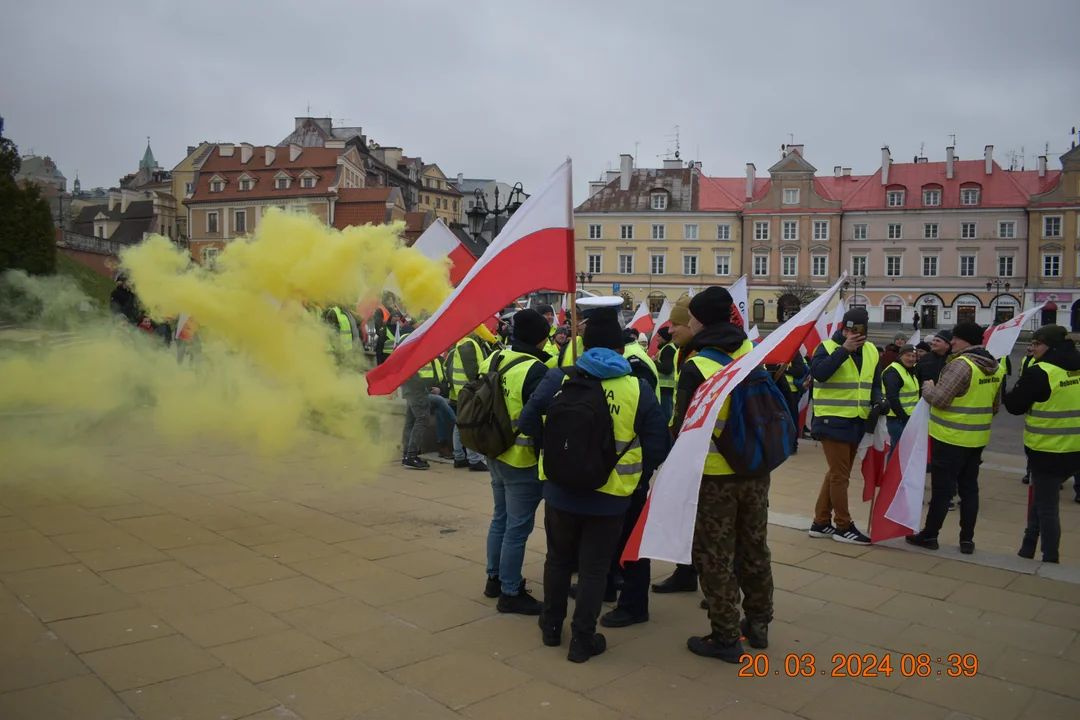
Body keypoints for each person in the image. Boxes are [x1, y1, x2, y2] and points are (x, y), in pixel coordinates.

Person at [519, 302, 669, 662]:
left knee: (557, 560)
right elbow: (659, 447)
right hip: (610, 497)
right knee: (594, 570)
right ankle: (582, 639)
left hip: (558, 490)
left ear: (585, 348)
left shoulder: (559, 377)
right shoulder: (637, 388)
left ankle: (551, 627)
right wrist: (633, 475)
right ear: (620, 349)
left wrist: (556, 453)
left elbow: (526, 423)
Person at [668, 287, 774, 662]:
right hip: (756, 469)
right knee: (754, 546)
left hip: (714, 476)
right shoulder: (750, 353)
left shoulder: (697, 366)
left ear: (699, 321)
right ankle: (758, 623)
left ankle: (725, 636)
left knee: (715, 554)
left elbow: (682, 428)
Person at [906, 322, 1004, 555]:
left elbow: (940, 399)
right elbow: (995, 406)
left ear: (965, 341)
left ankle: (930, 535)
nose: (952, 343)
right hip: (977, 438)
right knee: (970, 489)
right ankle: (967, 540)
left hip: (950, 438)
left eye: (956, 339)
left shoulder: (961, 365)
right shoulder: (996, 367)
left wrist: (928, 387)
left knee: (942, 491)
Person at [480, 309, 552, 615]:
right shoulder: (534, 369)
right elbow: (538, 418)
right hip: (521, 459)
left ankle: (494, 578)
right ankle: (510, 592)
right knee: (517, 528)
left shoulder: (492, 359)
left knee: (500, 518)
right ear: (541, 338)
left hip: (492, 451)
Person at [1004, 325, 1080, 563]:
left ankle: (1050, 559)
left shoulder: (1041, 372)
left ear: (1051, 345)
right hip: (1074, 449)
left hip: (1047, 449)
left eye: (1037, 344)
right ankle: (1028, 546)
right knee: (1041, 497)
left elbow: (1015, 406)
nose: (1032, 348)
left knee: (1047, 507)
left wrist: (1005, 392)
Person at [807, 307, 881, 545]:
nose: (852, 334)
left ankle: (820, 522)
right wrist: (843, 350)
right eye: (848, 330)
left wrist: (880, 400)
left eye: (857, 331)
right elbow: (820, 373)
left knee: (836, 474)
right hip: (831, 418)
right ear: (842, 328)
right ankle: (843, 526)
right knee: (840, 476)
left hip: (857, 419)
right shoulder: (827, 347)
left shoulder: (870, 350)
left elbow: (874, 382)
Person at [651, 296, 702, 595]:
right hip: (686, 449)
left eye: (677, 324)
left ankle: (722, 590)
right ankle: (687, 572)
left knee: (711, 525)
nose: (670, 330)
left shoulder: (704, 356)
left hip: (708, 457)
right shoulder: (688, 353)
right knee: (686, 515)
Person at [445, 333, 488, 471]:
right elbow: (472, 372)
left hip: (460, 392)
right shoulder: (468, 343)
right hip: (468, 391)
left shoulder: (463, 341)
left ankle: (459, 457)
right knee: (472, 424)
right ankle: (475, 460)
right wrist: (479, 388)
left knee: (460, 424)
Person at [882, 344, 919, 455]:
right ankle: (892, 473)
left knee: (902, 453)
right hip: (898, 420)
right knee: (897, 454)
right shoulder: (893, 372)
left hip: (907, 419)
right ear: (900, 356)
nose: (911, 359)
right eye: (908, 355)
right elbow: (892, 397)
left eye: (913, 356)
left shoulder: (909, 370)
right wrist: (903, 417)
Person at [654, 326, 677, 422]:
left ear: (664, 337)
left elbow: (667, 369)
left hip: (666, 390)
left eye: (659, 336)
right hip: (665, 390)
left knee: (665, 418)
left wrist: (654, 362)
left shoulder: (668, 349)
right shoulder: (668, 348)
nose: (657, 338)